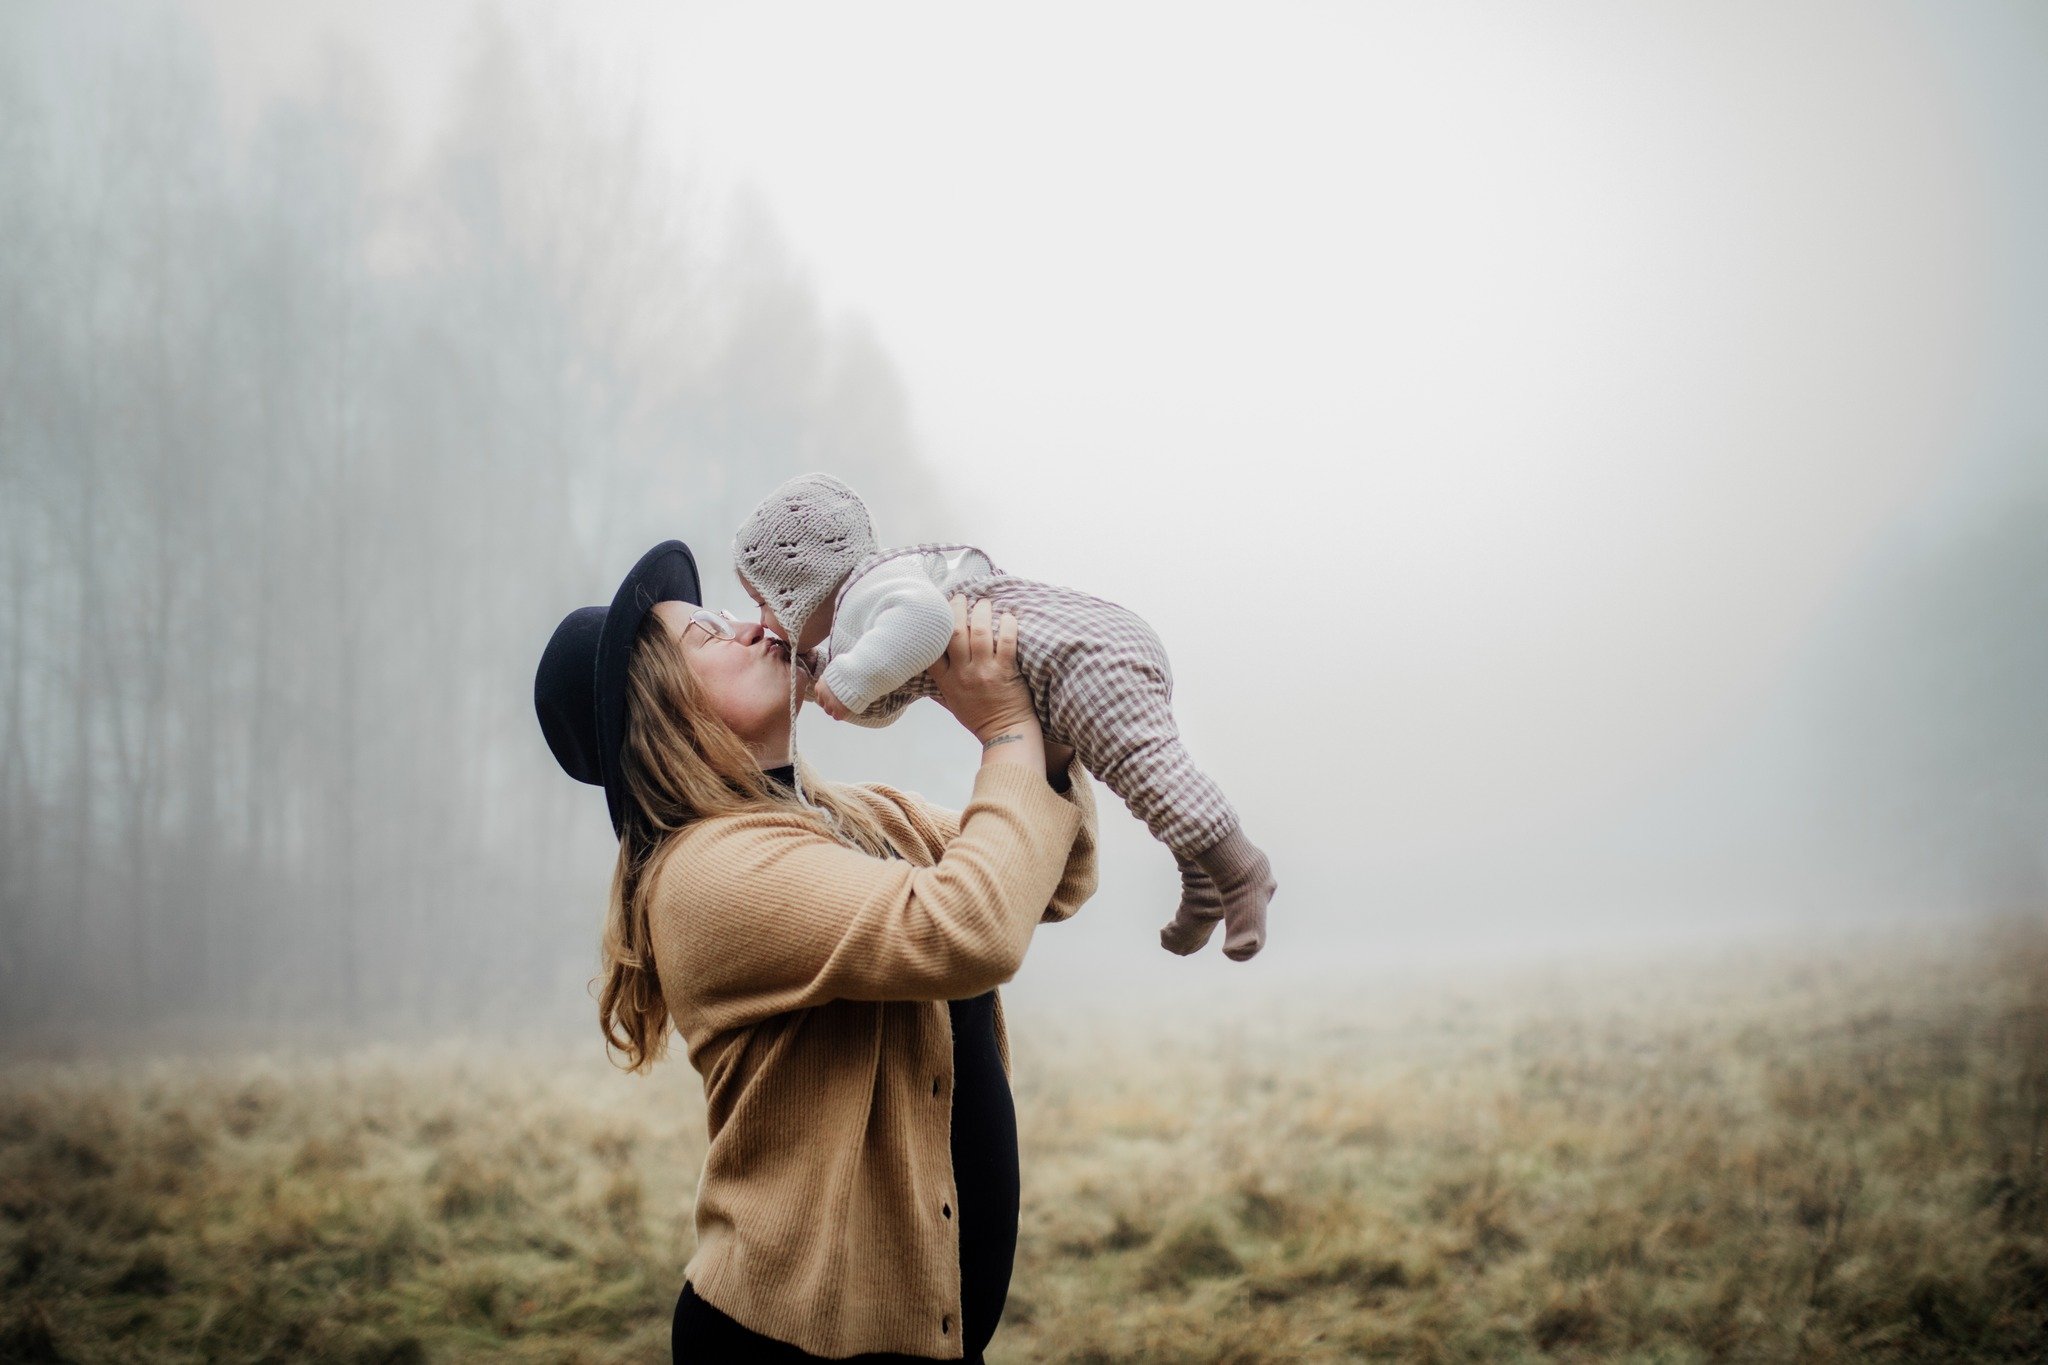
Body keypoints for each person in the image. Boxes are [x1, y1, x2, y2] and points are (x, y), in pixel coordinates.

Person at [533, 539, 1099, 1363]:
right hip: (791, 1350)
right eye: (707, 636)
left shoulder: (861, 813)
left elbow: (1053, 879)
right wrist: (1006, 729)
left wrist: (1025, 718)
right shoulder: (710, 874)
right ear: (664, 710)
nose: (754, 628)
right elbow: (969, 926)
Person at [732, 472, 1273, 961]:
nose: (762, 623)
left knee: (1149, 773)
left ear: (799, 589)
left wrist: (848, 680)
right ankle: (1205, 878)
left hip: (1080, 660)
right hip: (1066, 667)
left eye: (762, 603)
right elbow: (886, 692)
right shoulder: (871, 603)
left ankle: (1242, 869)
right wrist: (825, 674)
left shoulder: (870, 595)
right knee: (1148, 783)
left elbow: (921, 624)